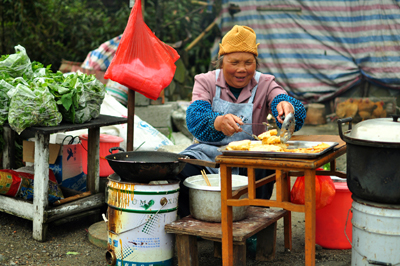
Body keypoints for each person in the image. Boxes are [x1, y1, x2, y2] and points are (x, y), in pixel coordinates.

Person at [177, 25, 306, 218]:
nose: (242, 69)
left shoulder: (266, 83)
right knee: (181, 171)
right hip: (209, 154)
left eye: (248, 62)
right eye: (234, 62)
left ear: (256, 63)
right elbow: (195, 116)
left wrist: (287, 107)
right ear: (221, 63)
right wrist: (217, 121)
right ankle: (198, 224)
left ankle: (253, 228)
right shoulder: (206, 81)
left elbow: (280, 97)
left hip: (251, 157)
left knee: (265, 169)